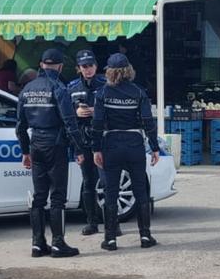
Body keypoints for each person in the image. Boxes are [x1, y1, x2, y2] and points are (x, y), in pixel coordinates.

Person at [16, 48, 81, 258]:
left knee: (39, 197)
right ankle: (58, 243)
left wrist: (25, 151)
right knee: (58, 197)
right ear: (60, 66)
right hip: (56, 144)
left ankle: (37, 244)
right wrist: (79, 148)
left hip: (36, 144)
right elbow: (69, 121)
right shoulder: (58, 88)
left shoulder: (27, 89)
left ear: (42, 65)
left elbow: (19, 126)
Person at [92, 52, 159, 251]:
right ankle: (145, 236)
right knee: (140, 190)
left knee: (111, 192)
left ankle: (110, 239)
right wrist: (154, 147)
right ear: (129, 70)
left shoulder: (102, 93)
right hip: (134, 143)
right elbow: (148, 122)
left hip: (111, 142)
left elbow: (97, 123)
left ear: (109, 72)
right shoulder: (139, 92)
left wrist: (96, 148)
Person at [67, 49, 106, 236]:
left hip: (103, 139)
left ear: (96, 66)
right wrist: (76, 113)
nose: (88, 69)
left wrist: (95, 111)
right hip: (82, 140)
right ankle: (92, 222)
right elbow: (65, 115)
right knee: (88, 182)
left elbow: (114, 112)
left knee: (108, 182)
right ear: (78, 68)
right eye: (84, 66)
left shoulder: (106, 85)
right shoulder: (72, 87)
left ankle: (113, 223)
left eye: (90, 65)